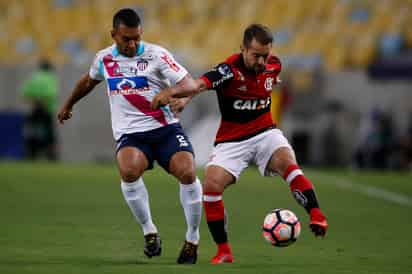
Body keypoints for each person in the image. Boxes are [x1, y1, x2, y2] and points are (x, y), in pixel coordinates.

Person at [151, 24, 328, 264]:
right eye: (256, 55)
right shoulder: (228, 70)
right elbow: (200, 84)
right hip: (232, 140)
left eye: (265, 55)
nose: (262, 61)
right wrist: (177, 95)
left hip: (266, 132)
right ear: (243, 49)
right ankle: (223, 251)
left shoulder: (274, 65)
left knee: (288, 162)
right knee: (211, 187)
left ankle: (316, 215)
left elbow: (269, 79)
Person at [57, 8, 202, 264]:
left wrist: (170, 93)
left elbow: (191, 83)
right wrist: (69, 104)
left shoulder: (157, 55)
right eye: (126, 39)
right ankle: (149, 231)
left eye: (136, 37)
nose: (132, 44)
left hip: (165, 129)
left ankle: (192, 238)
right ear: (114, 34)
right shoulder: (104, 59)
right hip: (131, 134)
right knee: (128, 170)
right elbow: (87, 82)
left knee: (188, 172)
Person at [21, 59, 58, 161]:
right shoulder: (50, 78)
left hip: (34, 109)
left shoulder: (33, 77)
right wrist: (43, 102)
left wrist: (35, 102)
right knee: (49, 135)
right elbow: (51, 94)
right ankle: (51, 156)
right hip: (46, 110)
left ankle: (31, 154)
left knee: (32, 132)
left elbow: (25, 93)